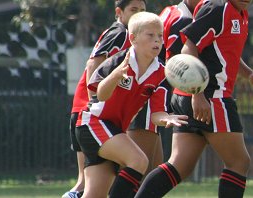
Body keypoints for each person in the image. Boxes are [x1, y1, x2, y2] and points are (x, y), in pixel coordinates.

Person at [135, 1, 253, 198]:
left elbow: (224, 50)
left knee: (180, 165)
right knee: (239, 162)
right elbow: (189, 48)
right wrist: (197, 93)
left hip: (191, 97)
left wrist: (249, 74)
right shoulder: (219, 8)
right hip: (211, 97)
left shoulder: (240, 13)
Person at [75, 11, 188, 198]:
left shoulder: (161, 73)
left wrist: (166, 118)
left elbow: (155, 114)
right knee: (138, 160)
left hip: (114, 131)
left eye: (160, 36)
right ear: (133, 38)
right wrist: (116, 75)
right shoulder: (118, 62)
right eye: (150, 35)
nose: (157, 41)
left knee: (94, 195)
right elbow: (100, 95)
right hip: (93, 124)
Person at [62, 0, 146, 197]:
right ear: (119, 12)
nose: (139, 15)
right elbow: (93, 65)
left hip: (93, 113)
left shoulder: (132, 38)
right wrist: (95, 105)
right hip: (89, 112)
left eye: (142, 10)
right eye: (134, 10)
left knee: (93, 187)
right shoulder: (120, 33)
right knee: (84, 185)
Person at [158, 0, 200, 161]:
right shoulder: (184, 20)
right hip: (150, 91)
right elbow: (174, 65)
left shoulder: (171, 10)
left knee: (148, 164)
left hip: (148, 89)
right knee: (138, 164)